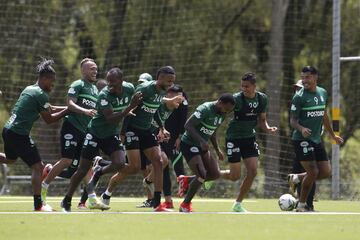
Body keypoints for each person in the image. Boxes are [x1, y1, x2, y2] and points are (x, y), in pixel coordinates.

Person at [60, 67, 142, 212]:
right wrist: (129, 108)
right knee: (82, 169)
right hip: (95, 133)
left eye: (114, 83)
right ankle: (67, 200)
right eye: (108, 83)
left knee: (120, 163)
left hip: (111, 134)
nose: (110, 86)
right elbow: (110, 118)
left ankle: (99, 170)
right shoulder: (104, 95)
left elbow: (141, 98)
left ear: (121, 81)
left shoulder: (129, 88)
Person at [0, 58, 68, 211]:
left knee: (10, 159)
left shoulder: (30, 89)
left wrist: (70, 108)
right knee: (38, 167)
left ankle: (39, 204)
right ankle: (38, 205)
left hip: (8, 130)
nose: (53, 84)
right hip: (18, 133)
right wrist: (68, 111)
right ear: (44, 78)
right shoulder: (40, 94)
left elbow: (49, 108)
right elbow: (49, 119)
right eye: (52, 81)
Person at [41, 58, 99, 209]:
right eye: (91, 68)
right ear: (83, 70)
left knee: (85, 165)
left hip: (85, 131)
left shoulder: (95, 90)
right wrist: (85, 110)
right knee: (67, 160)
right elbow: (70, 104)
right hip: (71, 127)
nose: (95, 71)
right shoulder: (77, 84)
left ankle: (91, 200)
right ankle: (43, 188)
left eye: (96, 68)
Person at [219, 72, 277, 212]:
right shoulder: (236, 99)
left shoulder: (262, 99)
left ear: (254, 86)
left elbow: (262, 120)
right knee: (234, 176)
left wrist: (268, 128)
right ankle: (212, 175)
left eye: (247, 86)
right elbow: (222, 112)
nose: (244, 89)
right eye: (242, 86)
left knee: (253, 171)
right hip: (234, 138)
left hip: (249, 138)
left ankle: (237, 204)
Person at [288, 66, 343, 212]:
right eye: (303, 77)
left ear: (315, 77)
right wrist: (302, 129)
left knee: (325, 172)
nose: (304, 81)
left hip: (316, 139)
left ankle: (297, 178)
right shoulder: (299, 97)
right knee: (313, 172)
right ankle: (301, 206)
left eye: (307, 77)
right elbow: (292, 121)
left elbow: (324, 115)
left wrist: (332, 136)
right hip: (301, 139)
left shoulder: (323, 92)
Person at [178, 93, 235, 212]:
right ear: (220, 102)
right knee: (202, 175)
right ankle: (185, 205)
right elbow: (188, 125)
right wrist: (201, 141)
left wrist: (217, 149)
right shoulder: (205, 109)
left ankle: (186, 180)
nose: (227, 112)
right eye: (226, 108)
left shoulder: (222, 114)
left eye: (230, 110)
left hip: (202, 146)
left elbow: (212, 131)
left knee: (215, 174)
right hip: (189, 144)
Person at [290, 79, 316, 211]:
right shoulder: (297, 103)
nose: (297, 91)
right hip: (300, 143)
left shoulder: (311, 102)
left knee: (311, 173)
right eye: (296, 88)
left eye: (299, 88)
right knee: (309, 173)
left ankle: (307, 203)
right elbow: (293, 122)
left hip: (311, 142)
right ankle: (302, 202)